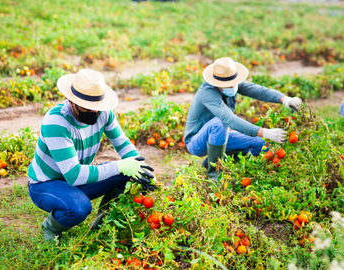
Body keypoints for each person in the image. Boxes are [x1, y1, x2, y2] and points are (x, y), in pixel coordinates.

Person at [27, 69, 155, 242]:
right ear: (71, 101)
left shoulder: (104, 113)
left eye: (96, 108)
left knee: (127, 172)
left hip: (77, 179)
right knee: (79, 207)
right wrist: (119, 165)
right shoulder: (56, 122)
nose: (94, 112)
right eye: (87, 108)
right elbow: (74, 175)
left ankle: (104, 224)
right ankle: (50, 227)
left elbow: (123, 144)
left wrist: (141, 168)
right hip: (46, 184)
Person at [184, 57, 302, 181]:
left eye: (235, 82)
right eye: (229, 84)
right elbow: (230, 119)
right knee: (220, 123)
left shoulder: (232, 83)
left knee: (262, 146)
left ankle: (212, 161)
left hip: (220, 136)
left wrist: (284, 99)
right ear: (219, 85)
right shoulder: (207, 93)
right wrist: (265, 132)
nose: (234, 86)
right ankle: (214, 177)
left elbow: (259, 91)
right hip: (196, 142)